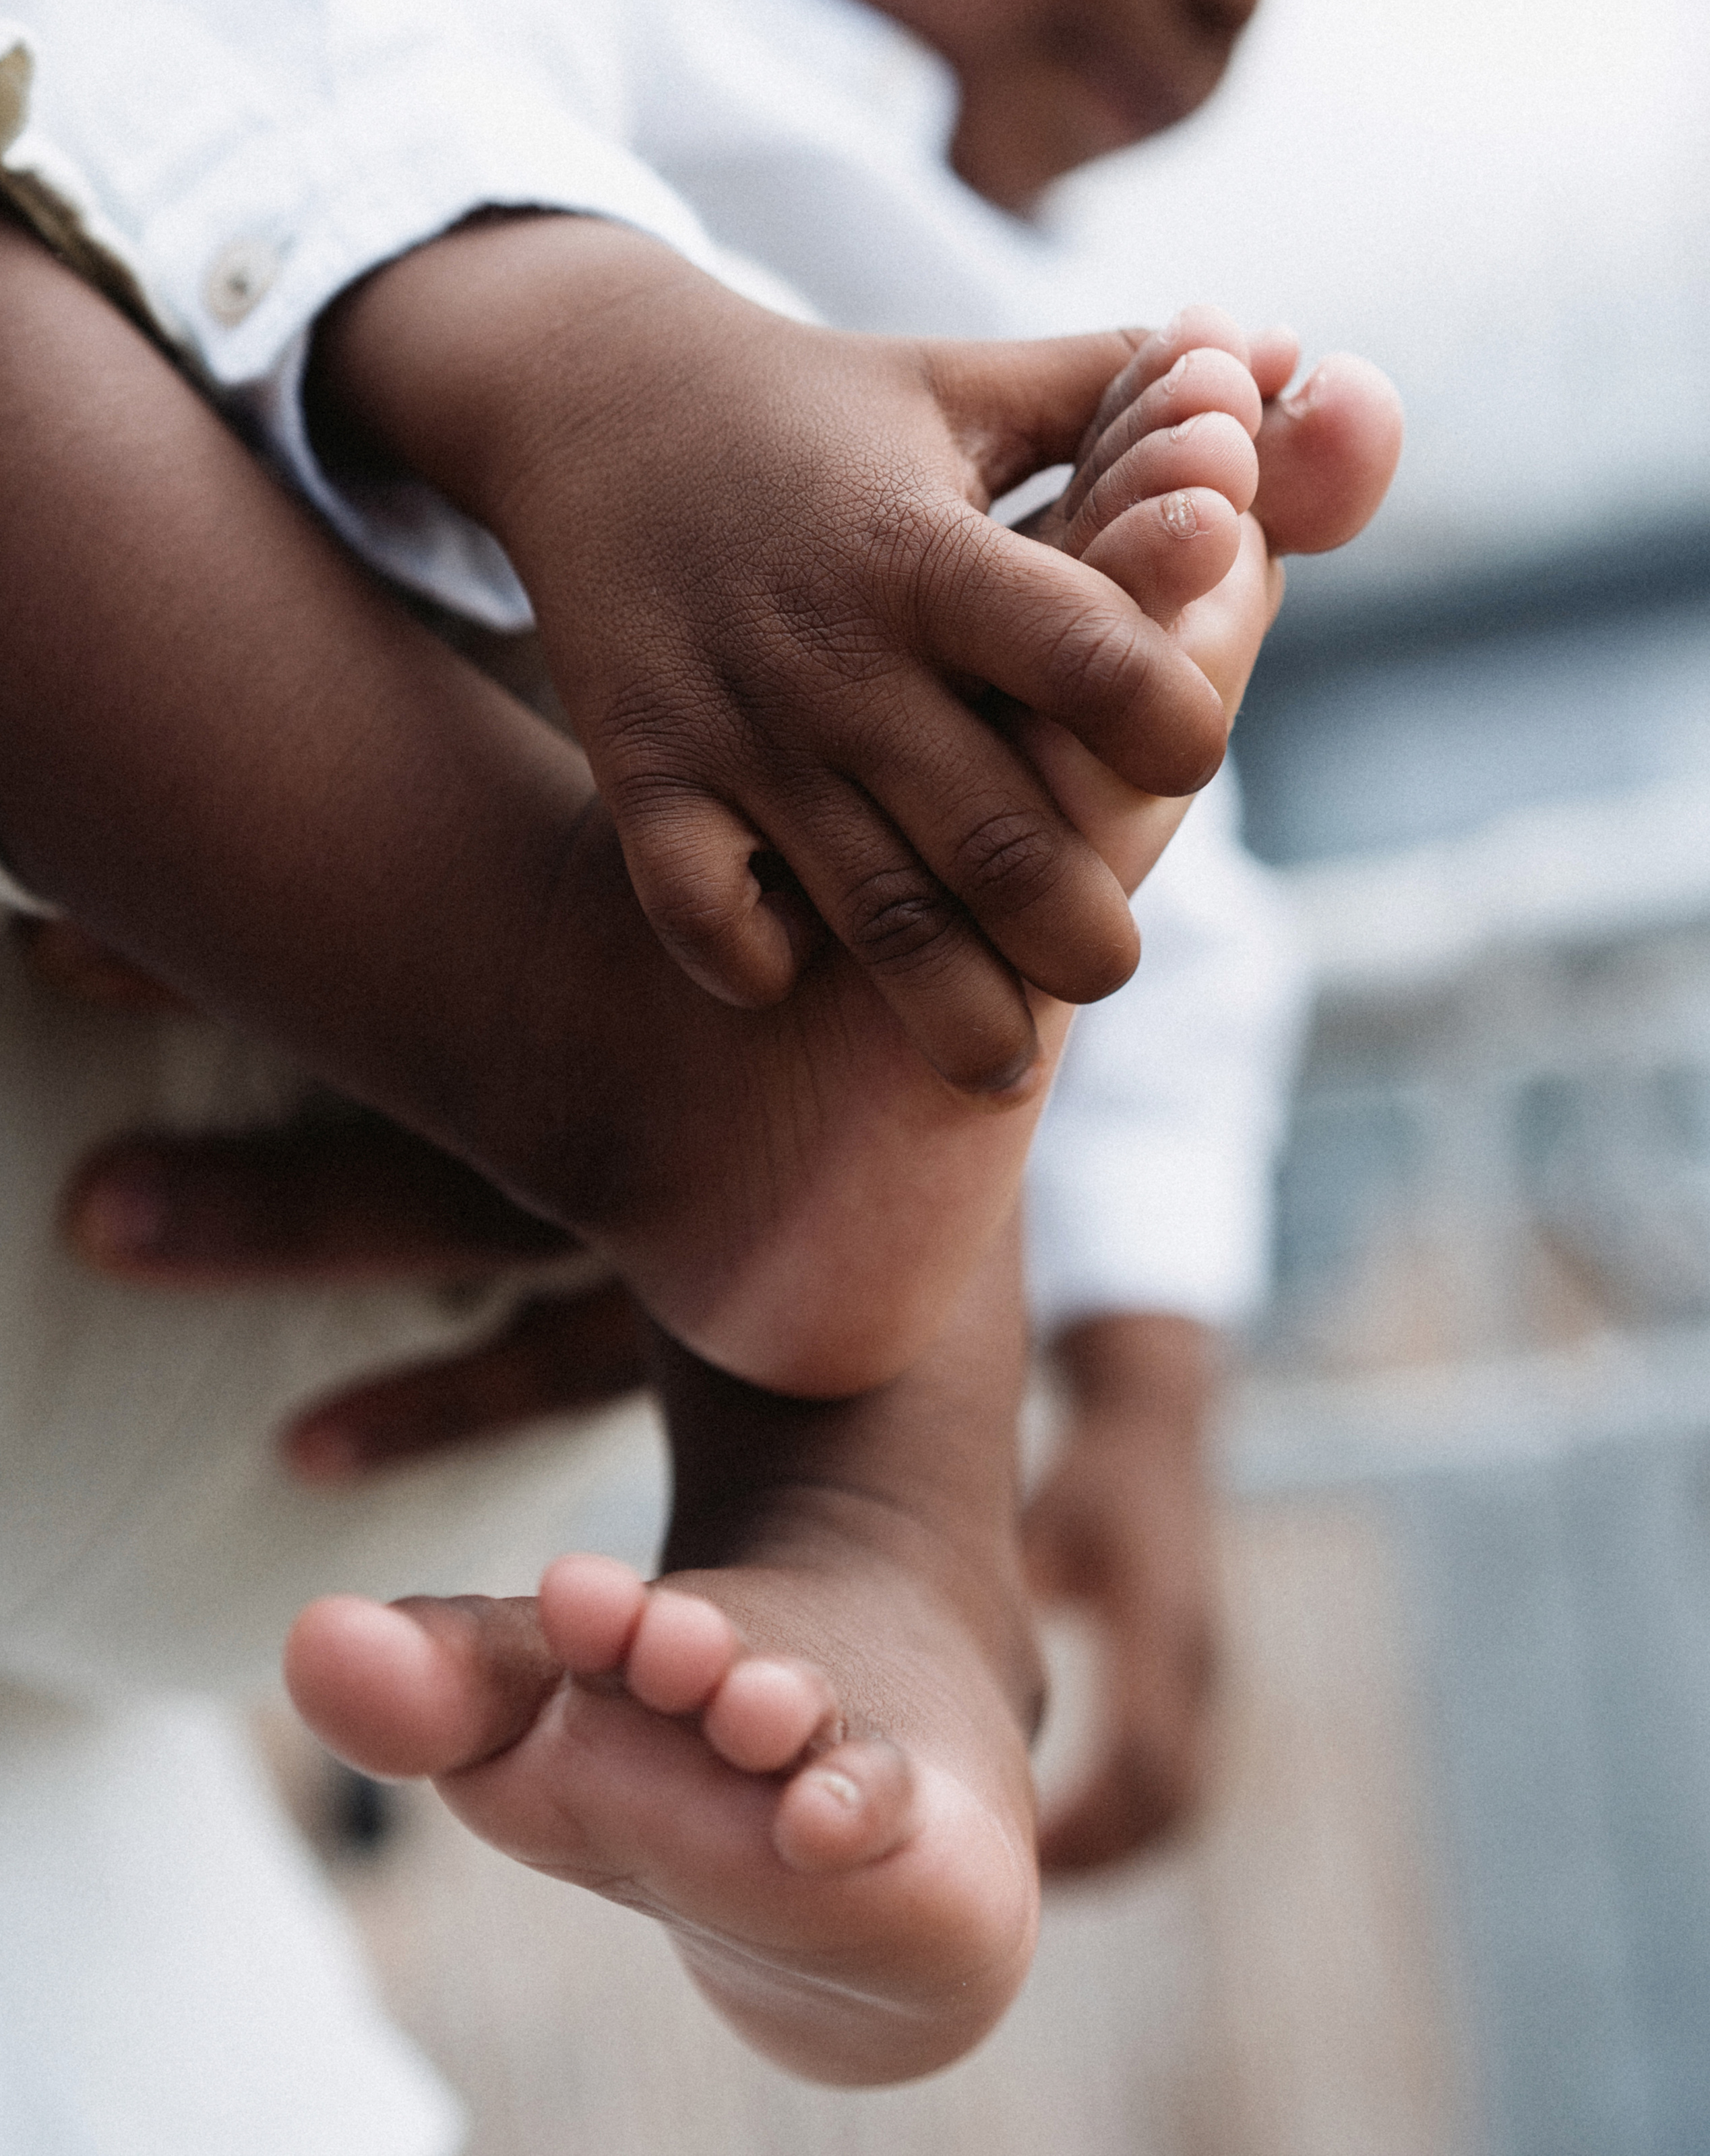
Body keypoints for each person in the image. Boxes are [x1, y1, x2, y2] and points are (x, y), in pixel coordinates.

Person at [0, 0, 1398, 2126]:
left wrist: (1143, 1383)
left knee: (926, 912)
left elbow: (1170, 947)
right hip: (290, 1433)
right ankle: (848, 1492)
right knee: (881, 910)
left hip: (318, 1363)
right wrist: (582, 347)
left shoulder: (995, 303)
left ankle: (877, 1544)